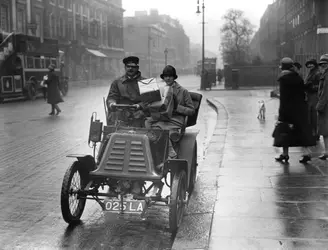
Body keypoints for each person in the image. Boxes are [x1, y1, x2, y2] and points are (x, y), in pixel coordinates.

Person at [145, 65, 195, 159]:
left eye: (170, 76)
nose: (167, 78)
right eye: (165, 76)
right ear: (163, 78)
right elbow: (157, 106)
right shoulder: (161, 90)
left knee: (163, 132)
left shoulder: (183, 91)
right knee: (149, 126)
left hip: (176, 120)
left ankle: (171, 152)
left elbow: (191, 111)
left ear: (174, 77)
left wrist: (176, 107)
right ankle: (154, 155)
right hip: (163, 119)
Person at [273, 57, 316, 163]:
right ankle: (306, 153)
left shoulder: (283, 79)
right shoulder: (298, 77)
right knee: (301, 132)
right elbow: (302, 92)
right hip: (300, 109)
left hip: (287, 110)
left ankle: (285, 154)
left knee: (284, 132)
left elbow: (284, 98)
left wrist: (281, 113)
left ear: (282, 67)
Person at [106, 56, 148, 127]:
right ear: (125, 68)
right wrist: (112, 103)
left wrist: (139, 106)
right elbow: (112, 97)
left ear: (137, 68)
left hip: (139, 114)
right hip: (121, 114)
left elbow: (149, 101)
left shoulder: (146, 82)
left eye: (133, 67)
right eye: (128, 66)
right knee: (113, 118)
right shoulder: (117, 82)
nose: (130, 69)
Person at [304, 59, 321, 141]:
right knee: (310, 115)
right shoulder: (310, 73)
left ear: (315, 64)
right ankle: (312, 132)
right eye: (308, 64)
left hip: (314, 96)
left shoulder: (317, 73)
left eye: (311, 64)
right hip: (309, 96)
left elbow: (320, 86)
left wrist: (312, 87)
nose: (310, 66)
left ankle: (316, 133)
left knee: (314, 116)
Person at [316, 54, 328, 160]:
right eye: (321, 64)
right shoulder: (324, 75)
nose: (322, 66)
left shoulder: (326, 76)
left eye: (325, 64)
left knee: (325, 130)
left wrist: (320, 106)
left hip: (325, 106)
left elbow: (325, 93)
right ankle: (326, 151)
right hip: (325, 105)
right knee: (325, 131)